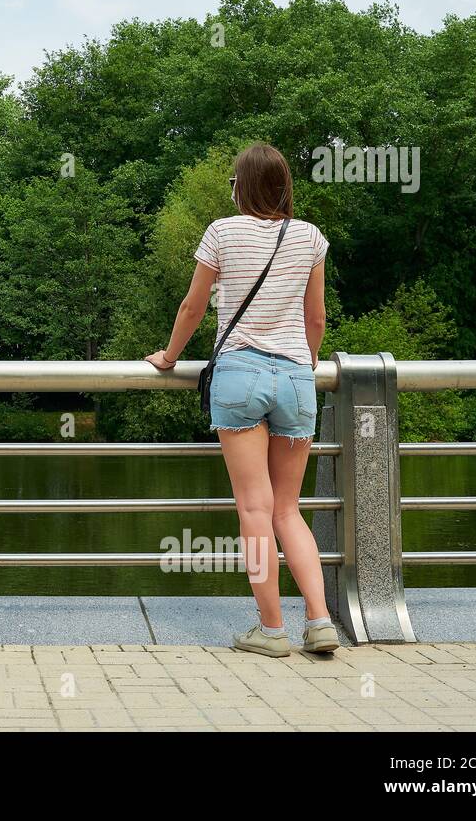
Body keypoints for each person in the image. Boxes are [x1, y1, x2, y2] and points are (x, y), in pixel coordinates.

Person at [145, 143, 339, 656]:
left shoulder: (221, 233)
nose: (230, 191)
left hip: (239, 374)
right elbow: (315, 318)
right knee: (289, 511)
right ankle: (320, 621)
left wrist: (169, 355)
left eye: (233, 182)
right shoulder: (310, 237)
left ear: (243, 186)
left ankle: (271, 630)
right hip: (297, 378)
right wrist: (306, 360)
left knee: (254, 510)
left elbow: (192, 306)